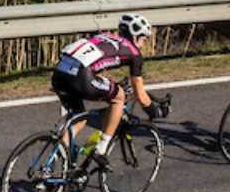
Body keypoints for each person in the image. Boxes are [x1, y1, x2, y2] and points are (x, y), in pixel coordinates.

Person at [51, 14, 169, 159]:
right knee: (119, 98)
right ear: (136, 37)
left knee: (79, 119)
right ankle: (101, 148)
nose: (144, 44)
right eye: (144, 39)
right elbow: (140, 94)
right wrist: (155, 111)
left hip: (60, 72)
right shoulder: (134, 53)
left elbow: (96, 67)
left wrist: (113, 84)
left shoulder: (106, 37)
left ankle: (53, 164)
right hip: (80, 75)